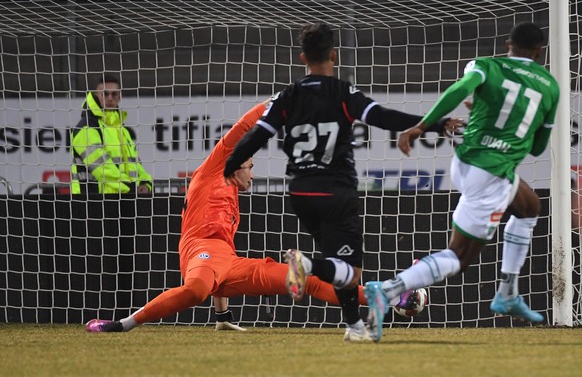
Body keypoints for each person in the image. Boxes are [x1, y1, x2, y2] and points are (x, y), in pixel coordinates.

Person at [223, 22, 462, 341]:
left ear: (301, 58)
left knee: (337, 265)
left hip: (299, 193)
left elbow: (257, 135)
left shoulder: (286, 97)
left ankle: (354, 326)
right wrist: (436, 124)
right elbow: (384, 118)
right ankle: (305, 264)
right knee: (351, 272)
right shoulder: (344, 94)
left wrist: (230, 163)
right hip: (336, 193)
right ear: (333, 55)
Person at [85, 102, 368, 334]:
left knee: (307, 279)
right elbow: (243, 127)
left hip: (228, 263)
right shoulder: (213, 170)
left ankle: (392, 295)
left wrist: (223, 316)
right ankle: (122, 324)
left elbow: (219, 264)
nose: (252, 173)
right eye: (249, 166)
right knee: (196, 290)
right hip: (198, 249)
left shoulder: (232, 199)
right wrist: (277, 104)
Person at [364, 22, 559, 342]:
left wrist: (423, 126)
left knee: (529, 206)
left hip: (470, 162)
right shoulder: (550, 86)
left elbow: (458, 90)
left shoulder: (486, 65)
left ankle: (507, 292)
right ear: (539, 52)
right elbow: (537, 148)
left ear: (507, 43)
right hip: (490, 174)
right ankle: (387, 290)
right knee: (458, 257)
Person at [70, 74, 152, 194]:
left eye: (114, 94)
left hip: (121, 200)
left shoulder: (122, 130)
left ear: (120, 97)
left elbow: (135, 164)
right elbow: (103, 168)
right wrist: (132, 188)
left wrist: (145, 183)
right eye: (105, 93)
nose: (110, 98)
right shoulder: (86, 128)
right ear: (97, 95)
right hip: (91, 202)